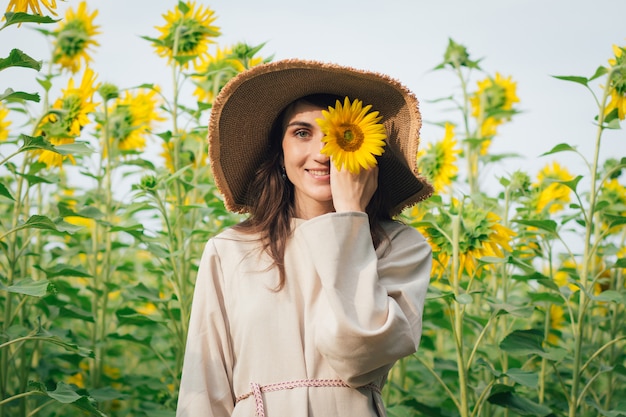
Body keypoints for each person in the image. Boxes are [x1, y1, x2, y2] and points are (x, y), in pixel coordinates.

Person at [176, 59, 434, 417]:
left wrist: (350, 219)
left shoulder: (401, 248)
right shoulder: (230, 251)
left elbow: (359, 355)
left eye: (341, 135)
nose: (324, 152)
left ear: (367, 150)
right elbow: (203, 391)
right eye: (302, 133)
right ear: (279, 153)